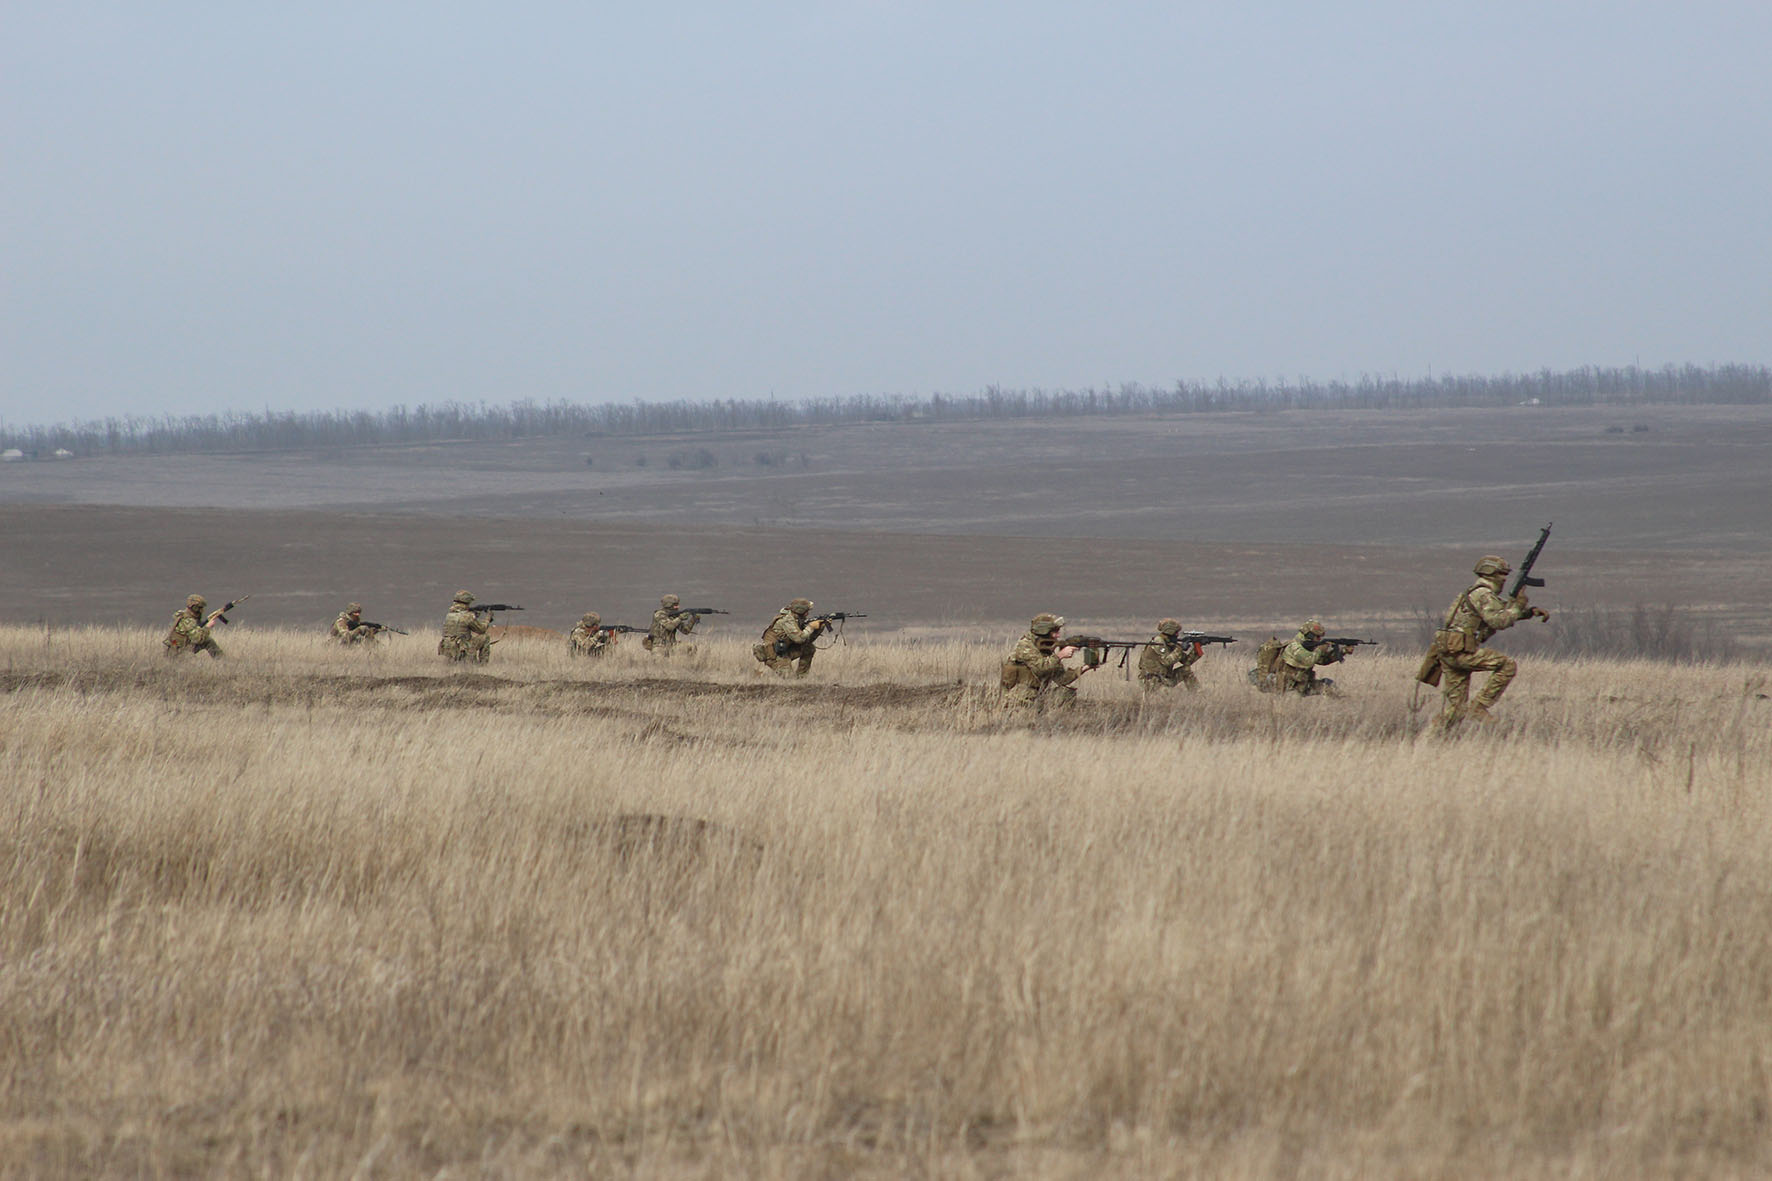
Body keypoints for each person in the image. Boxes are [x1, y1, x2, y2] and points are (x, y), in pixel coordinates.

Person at [1428, 554, 1549, 728]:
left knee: (1457, 710)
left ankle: (1431, 738)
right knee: (1507, 665)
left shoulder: (1475, 592)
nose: (1505, 579)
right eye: (1502, 574)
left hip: (1450, 652)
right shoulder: (1483, 594)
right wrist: (1516, 606)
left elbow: (1499, 612)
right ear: (1490, 573)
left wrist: (1528, 612)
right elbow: (1498, 621)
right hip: (1461, 652)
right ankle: (1479, 707)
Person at [1000, 613, 1094, 708]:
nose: (1058, 635)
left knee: (1067, 693)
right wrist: (1060, 655)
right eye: (1055, 631)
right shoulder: (1025, 646)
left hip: (1038, 694)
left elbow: (1061, 679)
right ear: (1044, 631)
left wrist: (1085, 668)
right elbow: (1041, 668)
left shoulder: (1045, 648)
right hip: (1019, 696)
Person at [754, 598, 825, 676]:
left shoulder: (797, 619)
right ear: (801, 611)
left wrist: (819, 629)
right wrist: (811, 627)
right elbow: (799, 639)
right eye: (807, 611)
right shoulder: (787, 620)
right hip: (774, 655)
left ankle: (802, 677)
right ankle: (761, 676)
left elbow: (806, 641)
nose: (808, 613)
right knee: (789, 678)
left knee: (809, 648)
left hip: (785, 650)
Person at [1277, 619, 1344, 695]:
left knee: (1329, 686)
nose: (1319, 639)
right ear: (1309, 635)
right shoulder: (1294, 646)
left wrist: (1343, 651)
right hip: (1290, 687)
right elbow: (1309, 660)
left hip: (1303, 684)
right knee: (1293, 698)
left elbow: (1323, 660)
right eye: (1317, 636)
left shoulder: (1310, 647)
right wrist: (1320, 649)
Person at [1137, 618, 1203, 691]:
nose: (1177, 635)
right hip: (1151, 680)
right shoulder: (1158, 641)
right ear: (1170, 631)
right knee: (1165, 694)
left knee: (1186, 670)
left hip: (1163, 678)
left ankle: (1198, 694)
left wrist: (1197, 648)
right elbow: (1166, 661)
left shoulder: (1169, 643)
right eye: (1176, 632)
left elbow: (1187, 662)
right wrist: (1180, 648)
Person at [438, 589, 492, 663]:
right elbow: (481, 629)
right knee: (485, 637)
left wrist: (474, 615)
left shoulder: (449, 615)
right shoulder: (467, 616)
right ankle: (483, 664)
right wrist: (488, 618)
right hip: (462, 647)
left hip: (448, 647)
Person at [163, 593, 223, 658]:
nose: (202, 610)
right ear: (194, 607)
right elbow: (198, 639)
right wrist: (208, 627)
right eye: (200, 608)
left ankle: (221, 659)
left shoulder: (183, 615)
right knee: (195, 662)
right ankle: (222, 660)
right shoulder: (188, 620)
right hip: (178, 652)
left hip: (178, 648)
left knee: (208, 641)